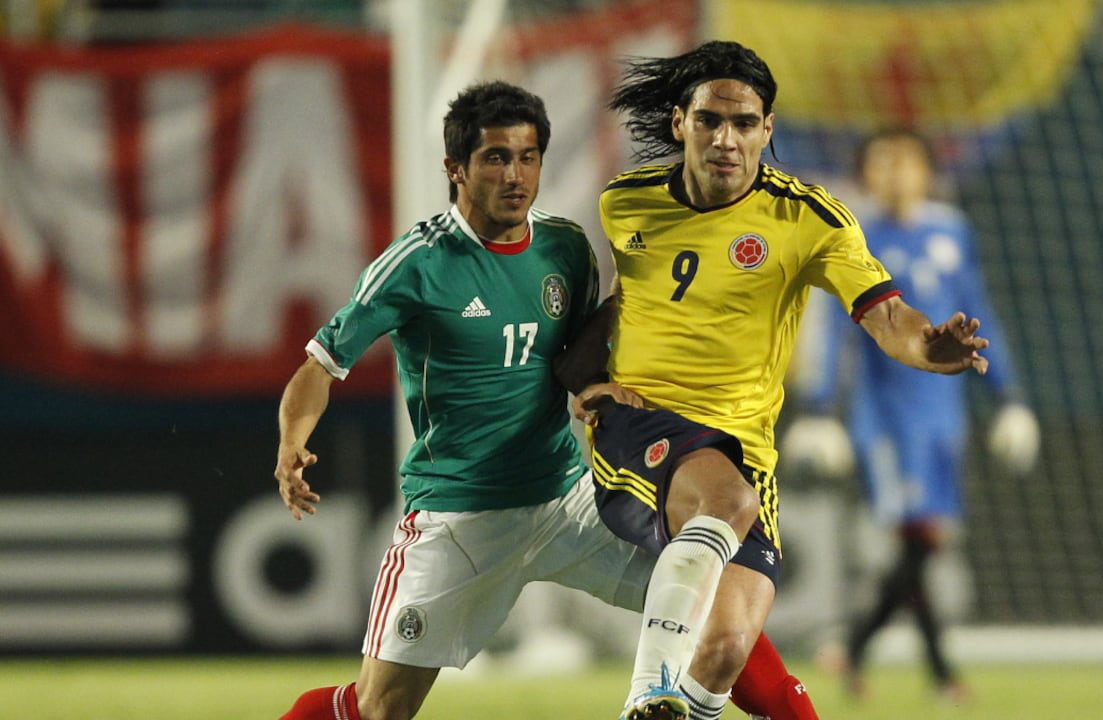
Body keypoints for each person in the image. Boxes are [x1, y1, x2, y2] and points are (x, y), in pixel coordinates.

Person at [272, 80, 809, 720]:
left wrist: (594, 384)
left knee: (717, 615)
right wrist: (291, 442)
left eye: (528, 157)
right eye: (496, 158)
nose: (516, 174)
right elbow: (319, 366)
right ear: (456, 168)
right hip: (461, 517)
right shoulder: (416, 264)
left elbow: (573, 356)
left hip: (567, 499)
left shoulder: (565, 248)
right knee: (379, 708)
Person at [556, 41, 992, 720]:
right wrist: (585, 381)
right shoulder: (628, 203)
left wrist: (928, 345)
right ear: (680, 124)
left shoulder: (808, 219)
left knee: (729, 646)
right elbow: (620, 304)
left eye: (743, 122)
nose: (726, 139)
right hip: (642, 427)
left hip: (743, 451)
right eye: (709, 120)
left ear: (767, 129)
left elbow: (887, 313)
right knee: (724, 505)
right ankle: (647, 694)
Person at [794, 127, 1040, 701]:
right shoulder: (856, 239)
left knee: (924, 543)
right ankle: (927, 670)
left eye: (906, 163)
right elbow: (835, 331)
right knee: (918, 538)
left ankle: (858, 654)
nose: (896, 174)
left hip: (943, 415)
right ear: (866, 174)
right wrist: (820, 409)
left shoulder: (951, 231)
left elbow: (980, 316)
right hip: (887, 417)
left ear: (928, 172)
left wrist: (1011, 400)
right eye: (882, 164)